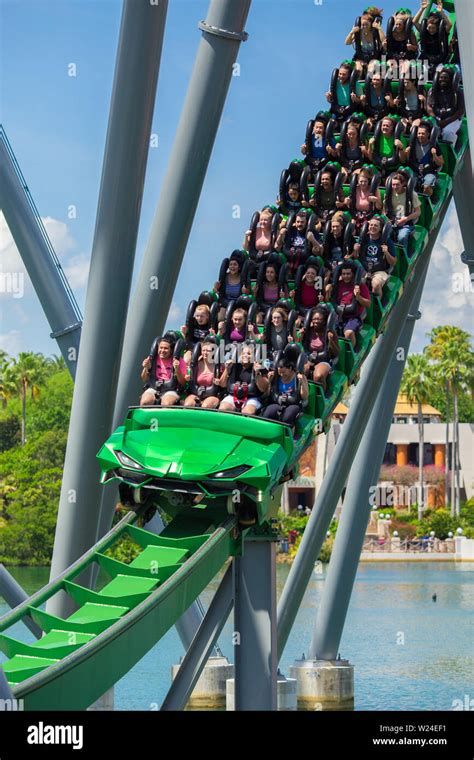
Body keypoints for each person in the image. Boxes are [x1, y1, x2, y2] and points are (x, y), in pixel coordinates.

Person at [218, 343, 269, 415]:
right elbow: (222, 384)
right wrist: (227, 369)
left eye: (248, 354)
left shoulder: (260, 368)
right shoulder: (234, 366)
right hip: (233, 396)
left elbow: (263, 389)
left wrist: (257, 372)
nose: (245, 355)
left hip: (251, 398)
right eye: (243, 353)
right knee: (223, 408)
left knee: (247, 412)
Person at [354, 216, 397, 298]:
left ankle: (376, 307)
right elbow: (356, 257)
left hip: (380, 270)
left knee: (376, 284)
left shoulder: (387, 242)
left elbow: (393, 262)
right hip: (364, 269)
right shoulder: (363, 239)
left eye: (376, 226)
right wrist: (356, 250)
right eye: (371, 225)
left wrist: (386, 252)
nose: (372, 227)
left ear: (381, 229)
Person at [329, 263, 371, 347]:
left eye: (348, 274)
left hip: (353, 317)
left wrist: (358, 297)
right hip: (338, 315)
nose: (346, 276)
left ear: (353, 274)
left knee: (348, 333)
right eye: (344, 274)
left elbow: (368, 304)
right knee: (329, 333)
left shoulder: (360, 286)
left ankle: (351, 351)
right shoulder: (338, 285)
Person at [140, 336, 188, 407]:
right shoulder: (152, 359)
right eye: (161, 348)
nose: (162, 350)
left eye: (166, 348)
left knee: (166, 404)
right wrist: (145, 368)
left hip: (171, 389)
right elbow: (143, 379)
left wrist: (177, 369)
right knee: (145, 402)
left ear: (172, 350)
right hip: (153, 388)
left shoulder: (179, 361)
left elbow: (183, 383)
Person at [301, 307, 340, 390]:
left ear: (324, 321)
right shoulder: (308, 331)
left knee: (318, 376)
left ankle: (321, 397)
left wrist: (331, 341)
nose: (315, 321)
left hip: (324, 360)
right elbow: (300, 347)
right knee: (302, 371)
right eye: (314, 319)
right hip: (309, 359)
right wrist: (300, 336)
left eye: (319, 319)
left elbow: (336, 352)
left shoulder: (330, 333)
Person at [264, 357, 309, 427]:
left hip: (293, 404)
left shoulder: (298, 378)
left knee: (286, 418)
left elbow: (305, 397)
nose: (281, 375)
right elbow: (267, 394)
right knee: (267, 414)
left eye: (283, 372)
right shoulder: (276, 377)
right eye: (280, 373)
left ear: (290, 368)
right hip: (278, 402)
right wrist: (269, 382)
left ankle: (289, 433)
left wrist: (302, 383)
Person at [384, 171, 421, 254]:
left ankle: (403, 254)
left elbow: (418, 212)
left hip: (406, 223)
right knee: (384, 235)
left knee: (402, 237)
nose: (395, 187)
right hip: (392, 221)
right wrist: (388, 220)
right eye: (393, 184)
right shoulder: (388, 194)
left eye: (397, 184)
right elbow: (384, 211)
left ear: (403, 183)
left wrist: (406, 218)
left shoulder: (411, 194)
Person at [426, 67, 465, 145]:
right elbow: (428, 107)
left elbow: (461, 111)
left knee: (448, 132)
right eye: (441, 77)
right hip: (437, 117)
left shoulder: (458, 92)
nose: (442, 79)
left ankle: (448, 153)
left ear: (451, 79)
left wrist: (446, 122)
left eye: (446, 78)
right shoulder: (432, 90)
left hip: (453, 118)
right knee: (428, 129)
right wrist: (436, 119)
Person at [413, 0, 452, 78]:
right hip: (426, 59)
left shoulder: (443, 32)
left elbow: (449, 24)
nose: (431, 30)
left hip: (440, 60)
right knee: (421, 72)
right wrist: (422, 9)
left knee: (439, 73)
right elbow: (414, 21)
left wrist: (441, 12)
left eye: (433, 28)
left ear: (438, 27)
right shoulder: (425, 31)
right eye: (429, 28)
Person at [405, 121, 444, 196]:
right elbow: (406, 160)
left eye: (423, 134)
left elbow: (441, 163)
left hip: (429, 171)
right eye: (419, 133)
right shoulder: (413, 143)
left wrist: (434, 155)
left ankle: (426, 202)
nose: (420, 135)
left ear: (428, 134)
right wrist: (407, 152)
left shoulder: (434, 145)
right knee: (407, 183)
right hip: (415, 170)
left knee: (426, 187)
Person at [184, 338, 224, 409]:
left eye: (208, 351)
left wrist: (219, 382)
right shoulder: (196, 364)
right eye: (203, 350)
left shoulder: (218, 366)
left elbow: (223, 384)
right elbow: (189, 375)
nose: (205, 353)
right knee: (188, 404)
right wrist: (187, 377)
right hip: (196, 393)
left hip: (212, 395)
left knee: (205, 406)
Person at [344, 7, 385, 73]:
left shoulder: (376, 32)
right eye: (363, 24)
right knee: (358, 68)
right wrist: (352, 32)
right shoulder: (359, 32)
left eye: (366, 25)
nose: (364, 26)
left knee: (372, 67)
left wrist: (379, 28)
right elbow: (347, 43)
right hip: (361, 57)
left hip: (375, 57)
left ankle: (371, 80)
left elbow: (384, 42)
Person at [213, 252, 250, 320]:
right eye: (231, 264)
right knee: (221, 316)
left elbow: (248, 293)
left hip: (238, 305)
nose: (232, 267)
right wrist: (215, 289)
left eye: (235, 264)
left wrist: (246, 291)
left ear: (239, 267)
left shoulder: (243, 279)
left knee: (237, 316)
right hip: (225, 303)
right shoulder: (224, 277)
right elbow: (218, 293)